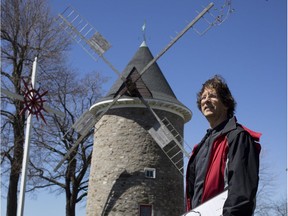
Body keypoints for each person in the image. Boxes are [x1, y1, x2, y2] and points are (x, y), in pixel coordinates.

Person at [185, 75, 261, 216]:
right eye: (203, 97)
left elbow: (241, 194)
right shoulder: (200, 147)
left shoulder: (238, 137)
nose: (206, 100)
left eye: (212, 95)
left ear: (226, 103)